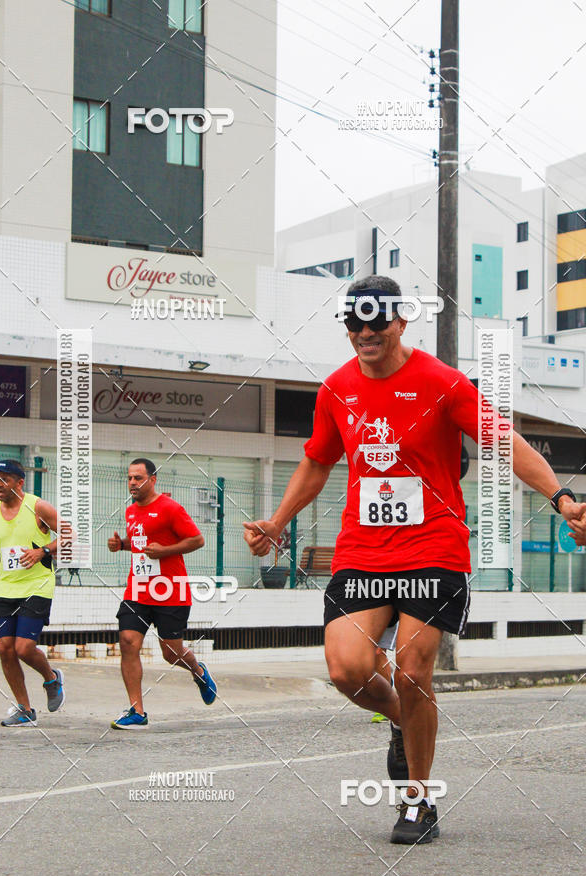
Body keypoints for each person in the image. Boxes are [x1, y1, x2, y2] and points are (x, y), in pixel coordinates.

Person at [243, 274, 586, 844]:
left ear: (402, 321)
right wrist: (277, 522)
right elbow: (317, 462)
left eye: (377, 321)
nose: (365, 332)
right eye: (355, 322)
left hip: (433, 550)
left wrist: (562, 497)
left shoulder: (442, 384)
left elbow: (504, 439)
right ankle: (405, 719)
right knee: (346, 669)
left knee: (413, 669)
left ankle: (417, 801)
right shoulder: (335, 391)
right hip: (362, 553)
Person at [108, 457, 216, 729]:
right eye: (130, 477)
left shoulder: (170, 508)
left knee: (171, 653)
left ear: (152, 480)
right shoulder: (131, 511)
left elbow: (197, 540)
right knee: (128, 641)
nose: (132, 482)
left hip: (170, 590)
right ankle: (137, 711)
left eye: (138, 478)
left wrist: (166, 551)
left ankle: (198, 671)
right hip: (138, 589)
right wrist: (121, 545)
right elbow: (141, 545)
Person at [0, 459, 64, 726]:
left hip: (38, 585)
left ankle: (52, 678)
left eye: (5, 479)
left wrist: (42, 550)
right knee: (5, 648)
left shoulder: (37, 506)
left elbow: (71, 534)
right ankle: (25, 709)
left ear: (20, 482)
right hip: (6, 586)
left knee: (23, 647)